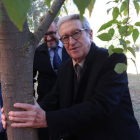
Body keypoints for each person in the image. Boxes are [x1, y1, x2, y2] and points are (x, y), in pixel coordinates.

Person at [1, 14, 140, 140]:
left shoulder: (113, 60)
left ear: (90, 34)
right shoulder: (64, 68)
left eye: (76, 33)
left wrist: (47, 119)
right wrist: (23, 112)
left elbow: (101, 106)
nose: (71, 42)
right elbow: (52, 100)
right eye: (65, 37)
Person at [33, 16, 70, 140]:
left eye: (52, 33)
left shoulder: (71, 48)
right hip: (46, 106)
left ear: (59, 30)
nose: (48, 38)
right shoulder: (36, 53)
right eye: (44, 34)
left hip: (69, 104)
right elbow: (29, 79)